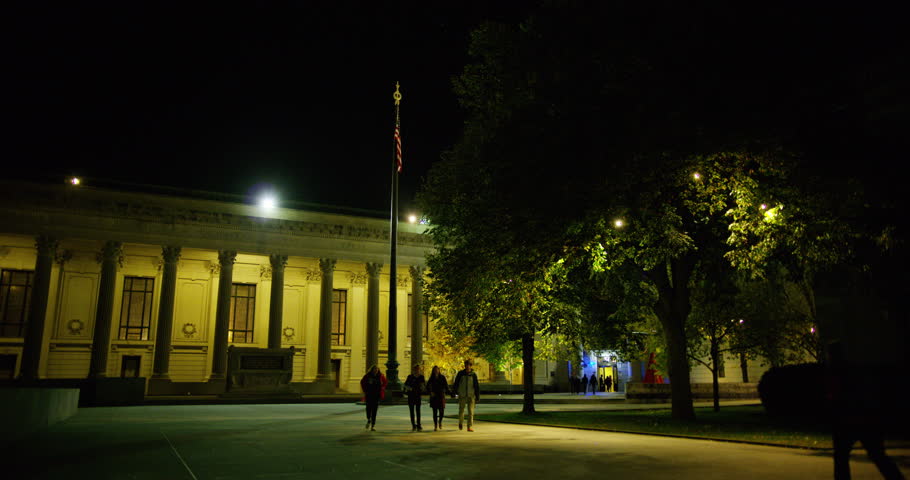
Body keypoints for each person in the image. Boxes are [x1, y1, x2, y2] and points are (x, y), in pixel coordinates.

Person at [827, 341, 905, 480]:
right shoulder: (853, 371)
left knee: (841, 457)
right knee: (877, 455)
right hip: (865, 418)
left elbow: (836, 396)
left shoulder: (836, 372)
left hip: (848, 420)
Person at [452, 359, 480, 432]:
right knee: (461, 410)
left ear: (470, 366)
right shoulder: (460, 374)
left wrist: (477, 396)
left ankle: (469, 426)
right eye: (466, 365)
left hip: (471, 395)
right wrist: (454, 392)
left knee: (471, 412)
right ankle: (460, 422)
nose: (467, 367)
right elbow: (456, 384)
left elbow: (476, 386)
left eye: (468, 365)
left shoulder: (473, 375)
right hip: (462, 394)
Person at [360, 365, 386, 431]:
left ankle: (373, 425)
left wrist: (382, 388)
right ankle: (369, 419)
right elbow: (362, 382)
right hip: (369, 395)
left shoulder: (380, 376)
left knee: (374, 410)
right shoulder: (367, 376)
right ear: (372, 370)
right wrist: (365, 389)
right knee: (368, 408)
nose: (376, 371)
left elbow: (385, 382)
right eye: (374, 369)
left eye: (377, 369)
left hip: (376, 395)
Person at [426, 365, 451, 431]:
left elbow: (446, 386)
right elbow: (427, 386)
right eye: (435, 370)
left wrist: (450, 392)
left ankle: (440, 422)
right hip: (434, 396)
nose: (436, 371)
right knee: (434, 412)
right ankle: (435, 425)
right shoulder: (431, 378)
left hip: (441, 396)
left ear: (439, 370)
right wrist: (430, 392)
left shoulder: (442, 377)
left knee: (441, 412)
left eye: (437, 369)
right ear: (433, 371)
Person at [404, 364, 426, 432]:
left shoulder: (421, 377)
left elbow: (423, 386)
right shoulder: (410, 377)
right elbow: (405, 385)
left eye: (418, 369)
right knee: (412, 411)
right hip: (411, 395)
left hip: (417, 395)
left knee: (418, 411)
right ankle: (413, 425)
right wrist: (409, 388)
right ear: (414, 370)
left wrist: (422, 388)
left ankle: (419, 425)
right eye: (416, 369)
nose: (417, 371)